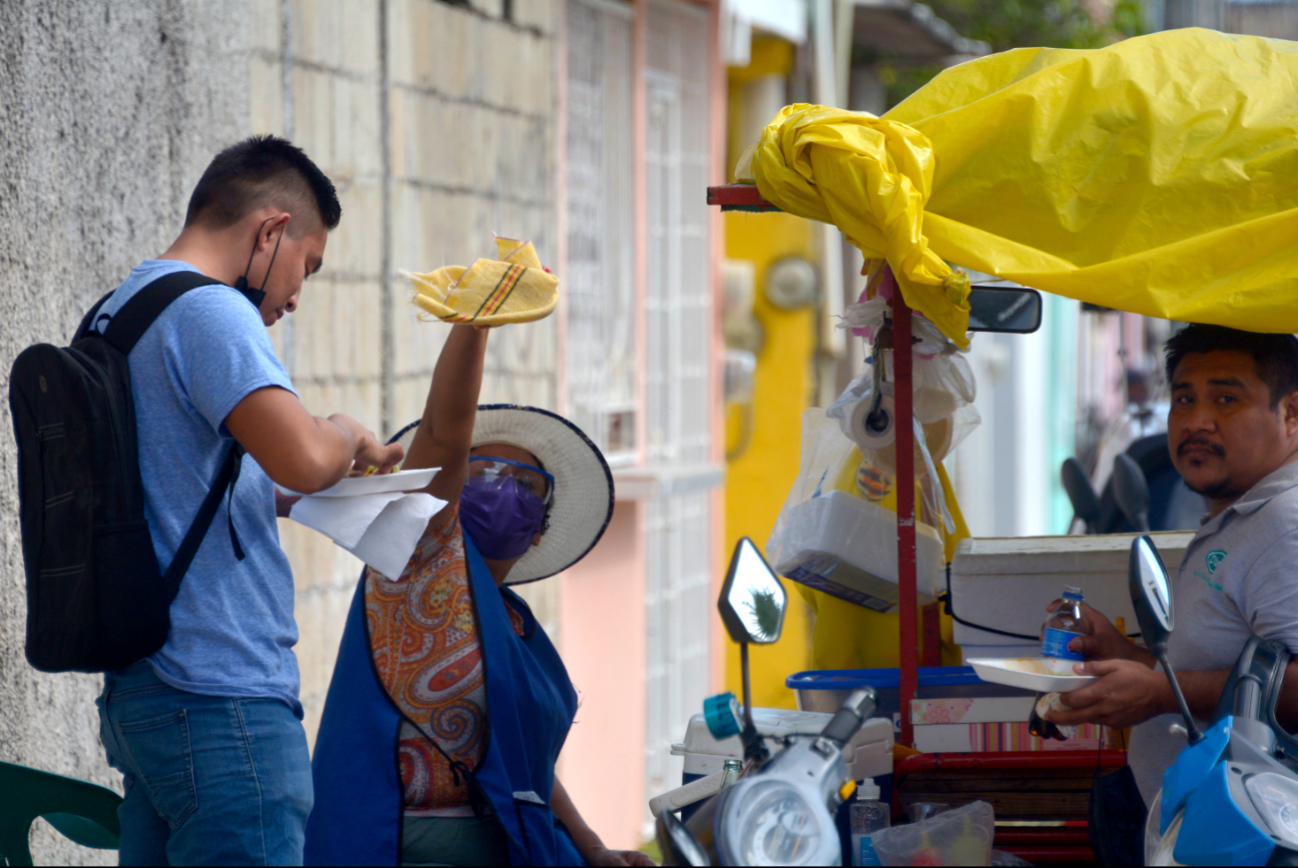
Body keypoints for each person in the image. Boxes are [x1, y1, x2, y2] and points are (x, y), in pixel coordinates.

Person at [94, 136, 404, 866]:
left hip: (146, 696)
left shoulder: (121, 309)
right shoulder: (211, 313)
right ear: (270, 231)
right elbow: (302, 451)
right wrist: (346, 432)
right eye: (307, 265)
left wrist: (301, 497)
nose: (296, 296)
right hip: (221, 701)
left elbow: (175, 484)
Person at [305, 324, 653, 867]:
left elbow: (521, 765)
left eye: (526, 483)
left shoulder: (517, 626)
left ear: (540, 525)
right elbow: (444, 433)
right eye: (483, 471)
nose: (503, 488)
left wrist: (593, 848)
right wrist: (475, 323)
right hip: (395, 847)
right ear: (450, 491)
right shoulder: (411, 564)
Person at [1046, 325, 1298, 809]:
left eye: (1226, 399)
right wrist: (1125, 656)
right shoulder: (1242, 515)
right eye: (1183, 399)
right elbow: (1218, 676)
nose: (1196, 421)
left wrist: (1159, 691)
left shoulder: (1286, 524)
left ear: (1290, 411)